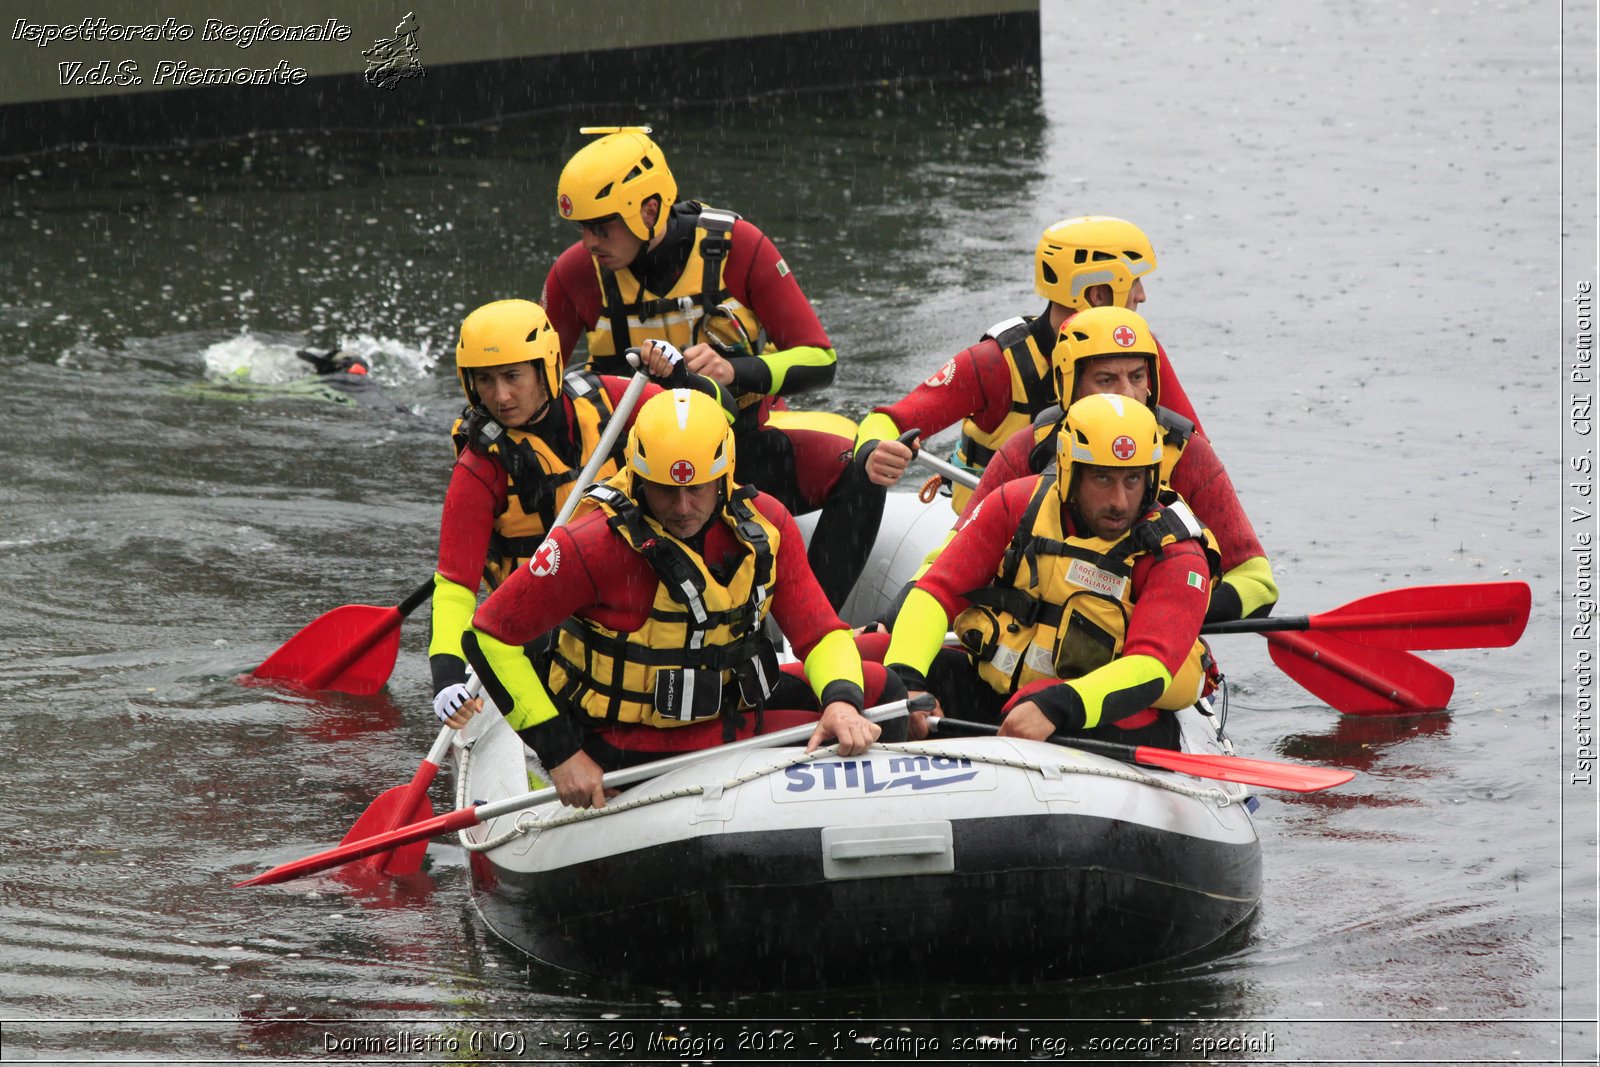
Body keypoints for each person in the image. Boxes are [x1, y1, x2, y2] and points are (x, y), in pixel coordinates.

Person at [447, 388, 902, 809]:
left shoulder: (767, 523)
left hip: (735, 715)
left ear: (724, 476)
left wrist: (842, 702)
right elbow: (489, 636)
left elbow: (821, 635)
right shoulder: (589, 544)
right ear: (641, 479)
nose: (683, 508)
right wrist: (561, 753)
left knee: (882, 690)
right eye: (666, 489)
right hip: (632, 744)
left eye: (697, 488)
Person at [539, 126, 884, 610]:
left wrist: (736, 370)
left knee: (865, 467)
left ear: (649, 210)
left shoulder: (736, 245)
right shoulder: (576, 273)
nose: (589, 242)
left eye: (602, 227)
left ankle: (813, 627)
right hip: (629, 472)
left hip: (735, 453)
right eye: (582, 228)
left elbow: (820, 359)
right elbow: (536, 386)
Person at [428, 298, 734, 725]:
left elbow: (720, 419)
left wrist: (680, 377)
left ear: (546, 366)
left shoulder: (610, 402)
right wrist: (445, 676)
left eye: (513, 376)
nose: (500, 395)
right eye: (486, 380)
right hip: (542, 625)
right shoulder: (480, 467)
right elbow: (455, 585)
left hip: (636, 590)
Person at [877, 392, 1219, 751]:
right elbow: (937, 590)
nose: (1120, 501)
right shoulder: (1017, 504)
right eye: (1102, 479)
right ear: (1070, 470)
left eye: (1133, 481)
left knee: (1034, 699)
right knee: (879, 668)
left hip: (1107, 715)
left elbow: (1151, 667)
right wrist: (907, 681)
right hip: (998, 694)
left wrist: (1059, 705)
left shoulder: (1177, 553)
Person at [853, 216, 1203, 512]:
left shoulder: (1140, 350)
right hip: (997, 530)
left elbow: (1194, 450)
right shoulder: (997, 363)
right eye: (1135, 281)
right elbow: (885, 420)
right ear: (1098, 293)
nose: (1142, 295)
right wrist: (874, 450)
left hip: (1109, 525)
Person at [961, 306, 1278, 623]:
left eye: (1137, 377)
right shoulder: (1028, 449)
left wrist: (1173, 609)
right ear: (1069, 384)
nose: (1128, 394)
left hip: (1152, 645)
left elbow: (1257, 581)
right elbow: (948, 561)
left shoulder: (1186, 454)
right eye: (1107, 379)